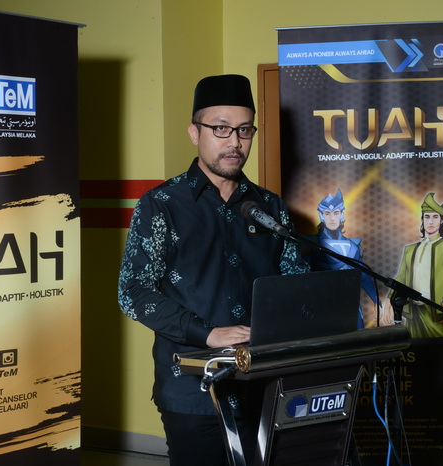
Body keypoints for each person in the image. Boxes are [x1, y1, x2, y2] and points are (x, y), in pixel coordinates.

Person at [117, 74, 309, 465]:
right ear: (195, 132)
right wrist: (208, 333)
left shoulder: (269, 207)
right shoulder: (161, 205)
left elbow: (296, 282)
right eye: (221, 128)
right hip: (192, 388)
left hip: (264, 381)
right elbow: (132, 292)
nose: (234, 142)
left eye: (244, 130)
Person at [382, 192, 443, 337]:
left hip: (437, 311)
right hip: (413, 312)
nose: (430, 221)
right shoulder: (410, 249)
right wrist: (388, 305)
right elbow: (400, 278)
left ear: (442, 221)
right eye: (427, 217)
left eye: (435, 217)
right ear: (422, 220)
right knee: (413, 348)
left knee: (441, 348)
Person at [303, 189, 380, 328]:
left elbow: (363, 276)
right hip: (323, 307)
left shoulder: (353, 246)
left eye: (336, 213)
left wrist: (376, 300)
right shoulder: (311, 245)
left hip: (351, 306)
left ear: (342, 214)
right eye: (327, 213)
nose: (332, 218)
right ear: (321, 215)